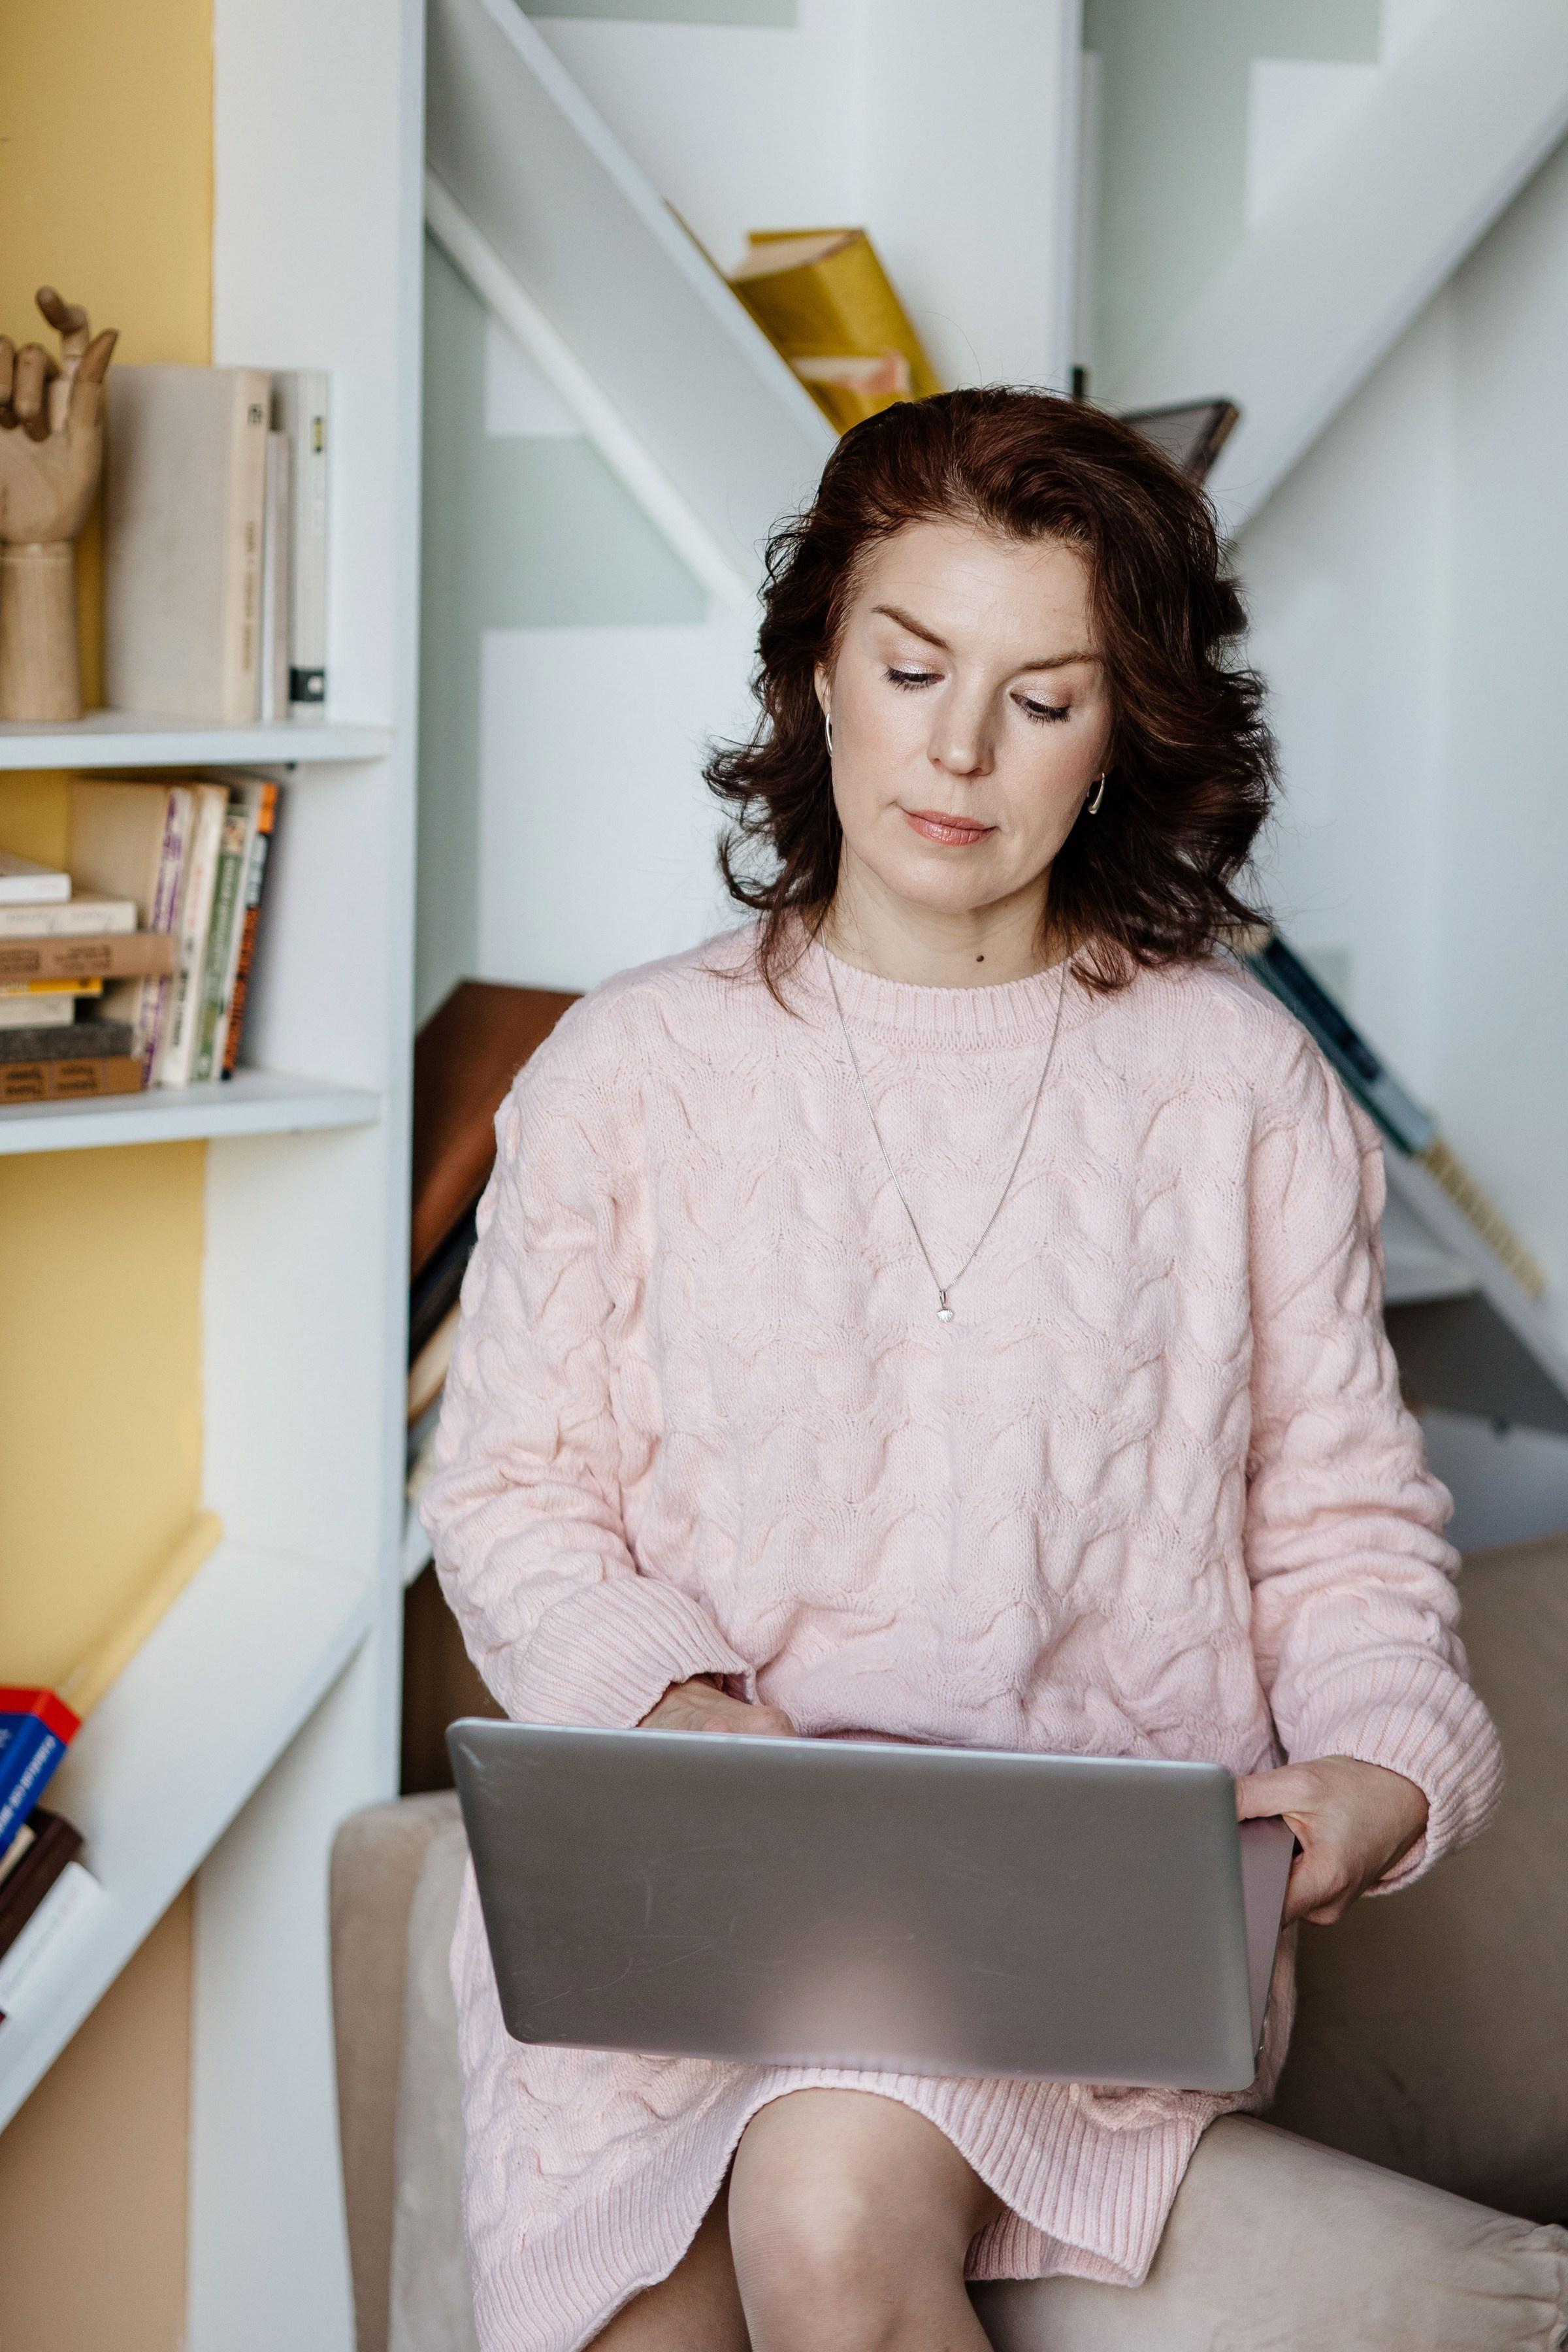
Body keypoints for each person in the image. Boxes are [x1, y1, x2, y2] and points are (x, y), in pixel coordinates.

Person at [421, 388, 1503, 2352]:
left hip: (1055, 1948)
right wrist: (673, 1705)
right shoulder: (626, 1070)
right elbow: (508, 1494)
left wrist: (1384, 1774)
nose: (959, 750)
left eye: (1044, 695)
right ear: (819, 667)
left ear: (1124, 736)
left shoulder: (1238, 1084)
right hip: (700, 1898)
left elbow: (1341, 1522)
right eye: (912, 667)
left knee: (832, 2199)